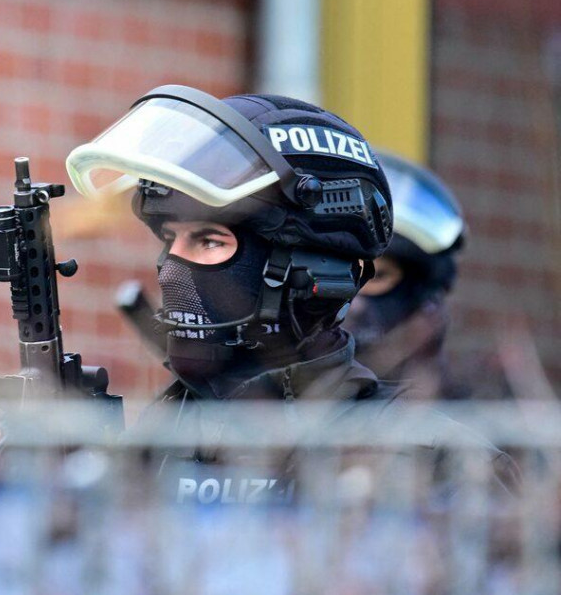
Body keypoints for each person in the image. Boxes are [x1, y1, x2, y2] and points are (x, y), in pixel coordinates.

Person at [63, 85, 517, 502]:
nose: (170, 269)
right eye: (169, 239)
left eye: (209, 241)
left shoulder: (438, 464)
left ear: (308, 269)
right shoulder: (165, 434)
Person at [342, 151, 466, 399]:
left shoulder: (462, 426)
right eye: (341, 273)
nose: (352, 304)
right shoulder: (256, 404)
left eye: (375, 276)